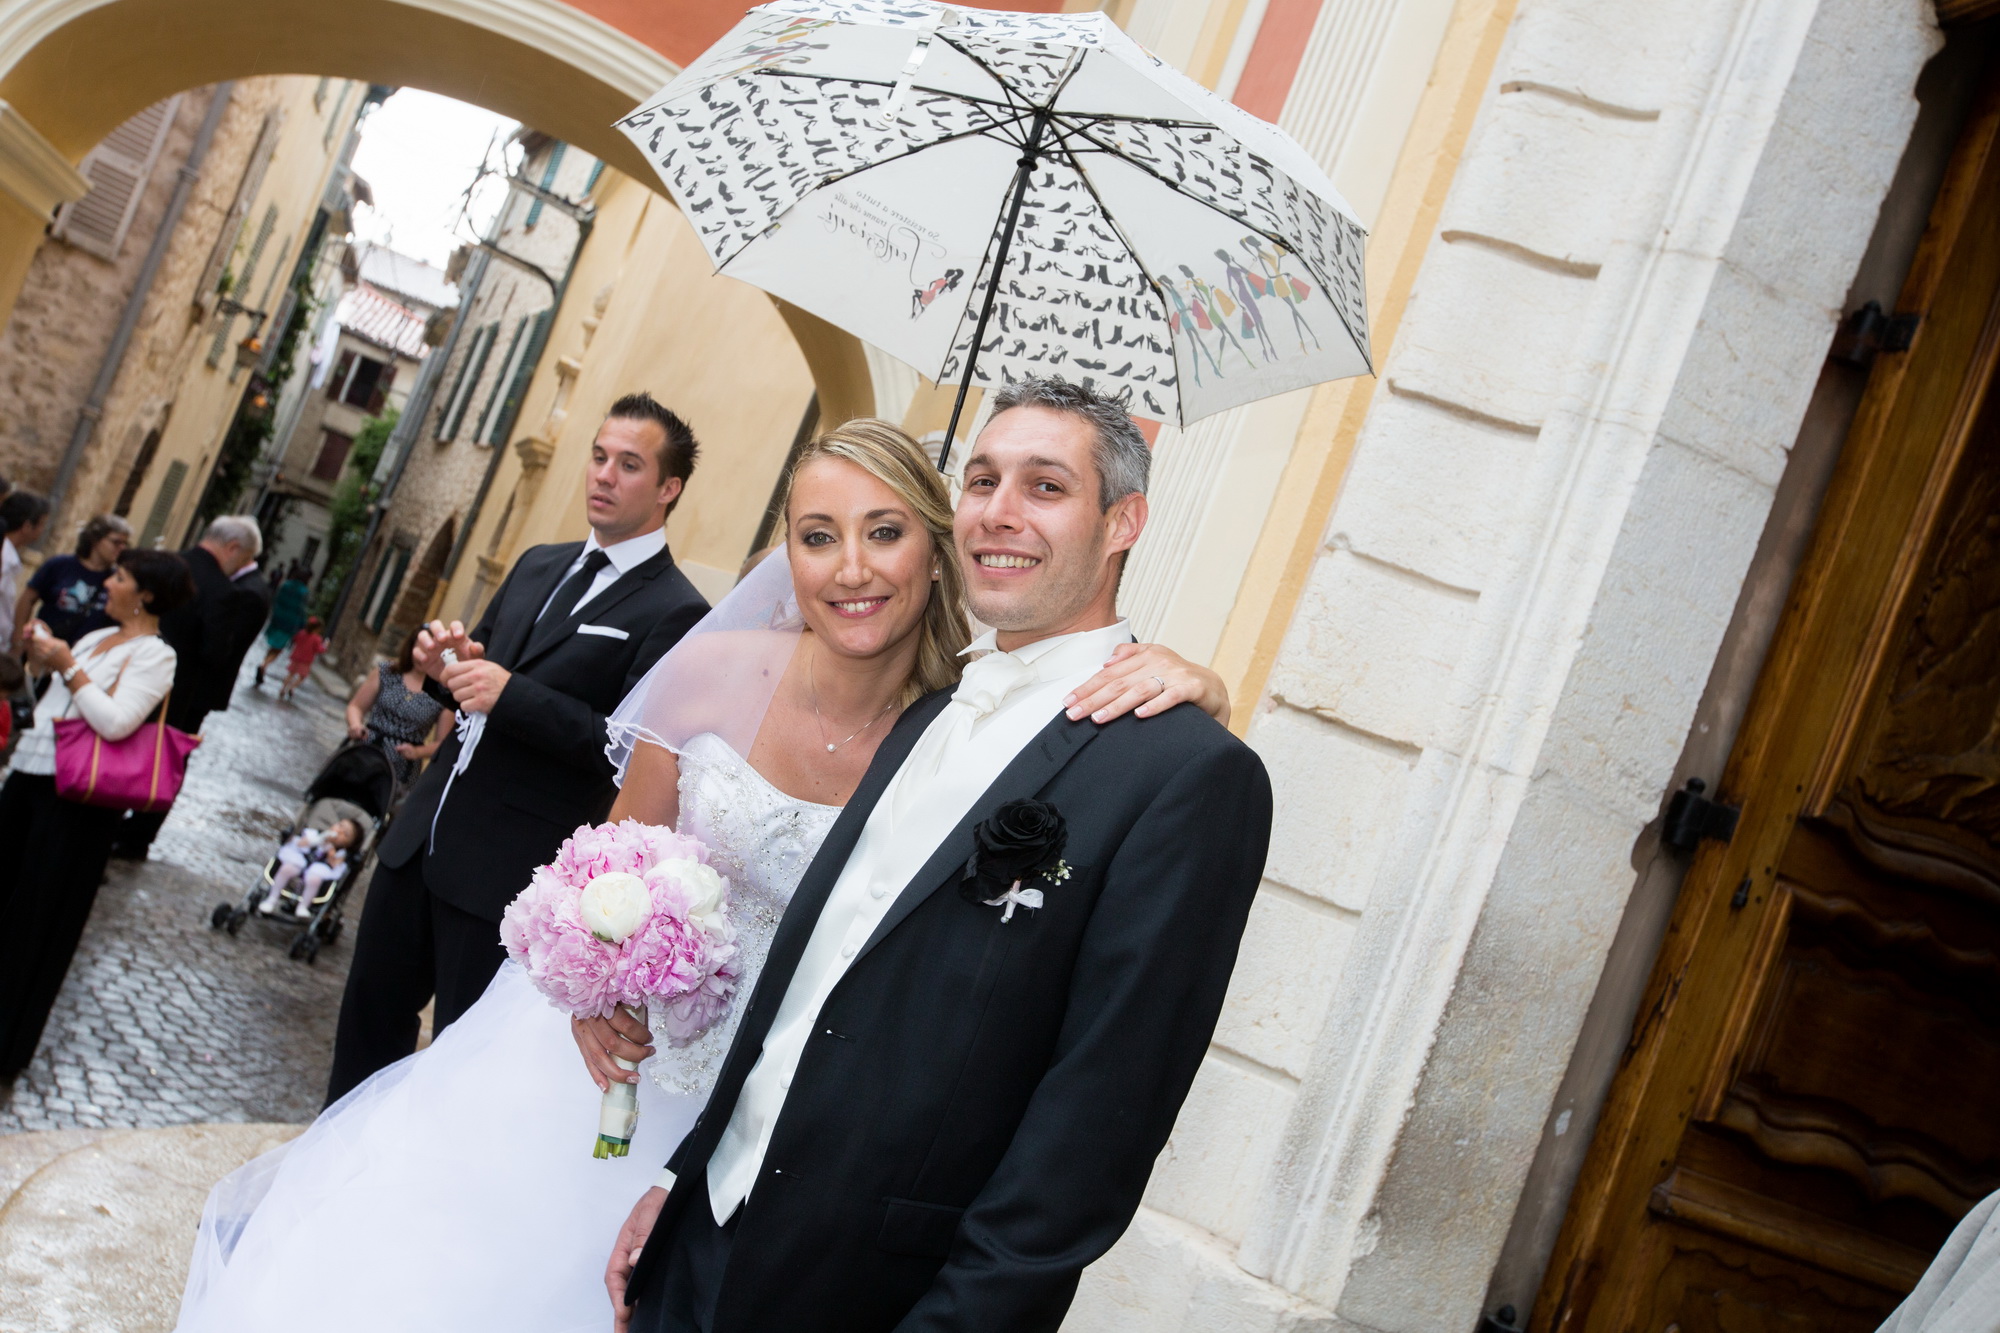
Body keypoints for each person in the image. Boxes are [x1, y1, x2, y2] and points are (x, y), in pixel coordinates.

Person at [171, 416, 1225, 1332]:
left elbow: (1070, 710)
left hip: (772, 1110)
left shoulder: (956, 719)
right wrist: (591, 992)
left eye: (885, 532)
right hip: (616, 1077)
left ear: (933, 549)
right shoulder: (713, 678)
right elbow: (612, 867)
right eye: (817, 539)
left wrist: (1198, 679)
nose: (850, 568)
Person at [608, 378, 1273, 1333]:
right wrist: (686, 1174)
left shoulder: (1185, 777)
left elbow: (1094, 1130)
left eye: (1045, 486)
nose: (999, 513)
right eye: (983, 480)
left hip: (876, 1299)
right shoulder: (925, 715)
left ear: (1123, 520)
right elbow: (808, 985)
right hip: (702, 1244)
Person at [323, 392, 716, 1102]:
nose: (603, 474)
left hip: (505, 873)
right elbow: (477, 687)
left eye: (629, 464)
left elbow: (626, 749)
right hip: (420, 840)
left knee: (457, 1074)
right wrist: (448, 664)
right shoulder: (539, 562)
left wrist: (511, 693)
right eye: (598, 456)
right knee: (363, 1031)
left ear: (668, 488)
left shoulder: (678, 610)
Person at [0, 548, 195, 1079]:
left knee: (37, 924)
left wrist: (67, 667)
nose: (108, 583)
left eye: (121, 576)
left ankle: (4, 1046)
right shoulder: (92, 636)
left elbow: (115, 724)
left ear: (146, 594)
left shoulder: (157, 656)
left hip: (79, 806)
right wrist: (45, 660)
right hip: (30, 777)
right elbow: (57, 705)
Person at [111, 515, 272, 860]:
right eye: (242, 559)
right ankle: (132, 837)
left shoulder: (160, 566)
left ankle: (112, 824)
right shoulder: (222, 590)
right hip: (180, 697)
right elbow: (215, 654)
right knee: (162, 762)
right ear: (232, 548)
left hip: (128, 678)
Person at [344, 628, 453, 786]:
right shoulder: (386, 672)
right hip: (366, 752)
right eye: (420, 649)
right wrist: (355, 725)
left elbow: (442, 743)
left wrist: (417, 752)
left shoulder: (442, 693)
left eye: (430, 652)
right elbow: (356, 707)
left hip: (402, 770)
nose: (423, 658)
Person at [15, 514, 133, 648]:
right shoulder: (60, 565)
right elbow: (28, 599)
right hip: (43, 646)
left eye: (125, 544)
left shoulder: (116, 580)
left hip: (83, 656)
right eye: (116, 542)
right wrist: (18, 640)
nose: (121, 548)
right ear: (95, 540)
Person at [258, 817, 361, 919]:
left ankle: (303, 906)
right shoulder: (315, 834)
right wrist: (318, 840)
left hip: (318, 871)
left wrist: (331, 851)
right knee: (286, 869)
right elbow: (300, 843)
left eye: (346, 834)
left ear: (349, 844)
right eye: (340, 826)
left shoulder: (341, 852)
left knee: (314, 880)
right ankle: (272, 898)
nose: (340, 831)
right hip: (300, 861)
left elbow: (335, 865)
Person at [0, 489, 51, 650]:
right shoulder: (4, 559)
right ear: (27, 526)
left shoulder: (10, 558)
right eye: (42, 524)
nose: (43, 530)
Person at [256, 564, 311, 688]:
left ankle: (263, 664)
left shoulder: (286, 585)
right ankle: (264, 665)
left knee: (274, 644)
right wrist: (302, 625)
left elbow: (276, 599)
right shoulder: (303, 591)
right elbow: (301, 610)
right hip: (289, 623)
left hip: (278, 618)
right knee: (279, 647)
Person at [277, 615, 326, 702]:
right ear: (318, 628)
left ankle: (282, 688)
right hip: (306, 660)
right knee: (302, 676)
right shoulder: (317, 639)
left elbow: (294, 639)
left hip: (296, 657)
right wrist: (325, 646)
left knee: (291, 674)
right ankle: (292, 687)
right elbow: (319, 649)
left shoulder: (301, 633)